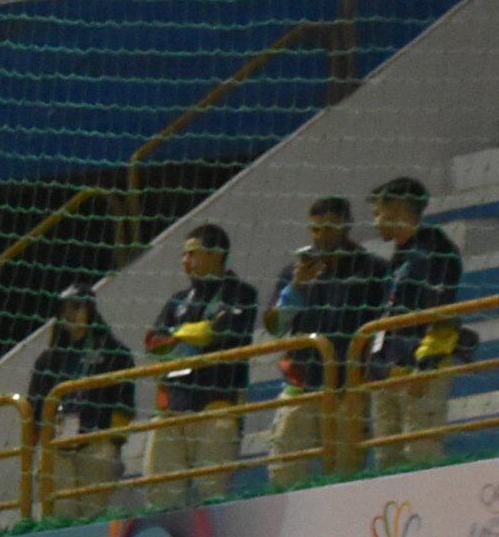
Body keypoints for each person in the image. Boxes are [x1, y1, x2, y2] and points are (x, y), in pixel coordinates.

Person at [264, 197, 382, 488]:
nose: (321, 237)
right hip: (301, 386)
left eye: (329, 228)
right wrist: (296, 287)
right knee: (283, 473)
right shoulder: (295, 273)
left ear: (346, 226)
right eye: (315, 231)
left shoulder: (373, 270)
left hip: (348, 386)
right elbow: (275, 327)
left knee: (346, 474)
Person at [138, 223, 259, 502]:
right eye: (184, 254)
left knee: (212, 495)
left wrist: (176, 335)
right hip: (172, 409)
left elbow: (218, 332)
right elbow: (152, 345)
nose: (185, 261)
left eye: (192, 253)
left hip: (217, 406)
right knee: (160, 497)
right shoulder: (177, 300)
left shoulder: (242, 294)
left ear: (217, 254)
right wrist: (194, 333)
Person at [362, 174, 468, 468]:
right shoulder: (400, 256)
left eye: (378, 213)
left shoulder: (435, 250)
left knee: (422, 455)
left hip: (417, 373)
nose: (375, 222)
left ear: (397, 208)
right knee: (387, 461)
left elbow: (443, 313)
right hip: (389, 373)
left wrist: (426, 366)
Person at [32, 283, 133, 516]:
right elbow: (35, 408)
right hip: (58, 446)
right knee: (60, 515)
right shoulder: (48, 360)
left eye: (77, 307)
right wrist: (46, 444)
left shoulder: (114, 353)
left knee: (94, 514)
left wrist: (111, 443)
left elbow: (124, 403)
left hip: (96, 443)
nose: (70, 314)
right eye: (65, 308)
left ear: (91, 310)